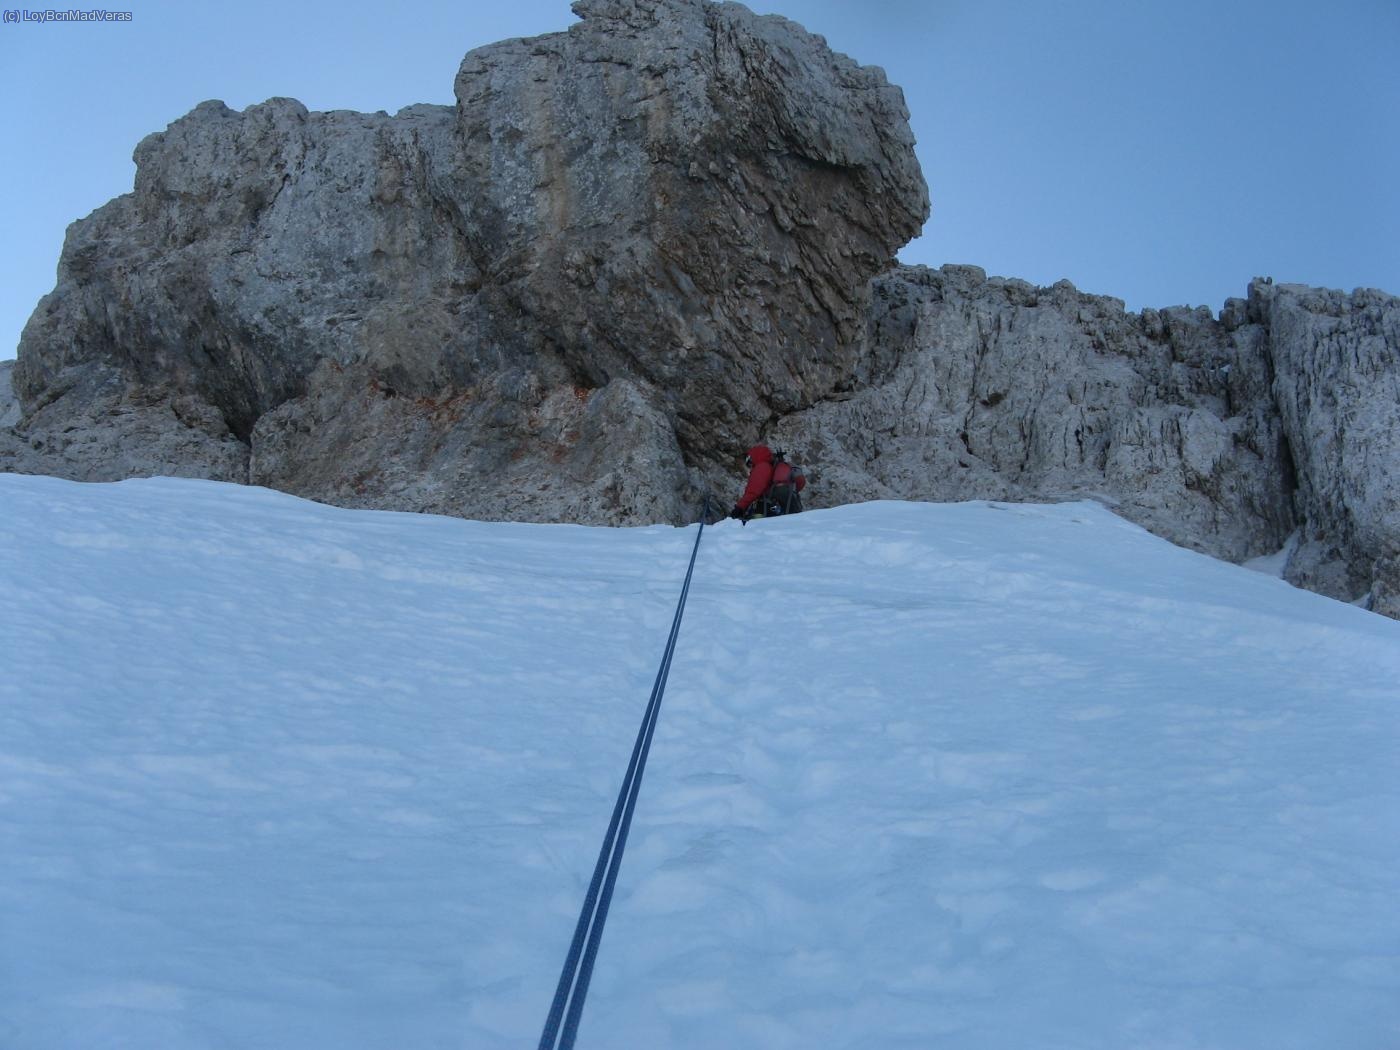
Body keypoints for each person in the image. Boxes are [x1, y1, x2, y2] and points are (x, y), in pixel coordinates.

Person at [730, 444, 805, 521]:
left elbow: (753, 491)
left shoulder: (762, 467)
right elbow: (800, 483)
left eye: (750, 464)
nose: (750, 468)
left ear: (751, 458)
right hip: (785, 506)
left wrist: (739, 507)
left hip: (767, 508)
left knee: (755, 523)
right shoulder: (773, 465)